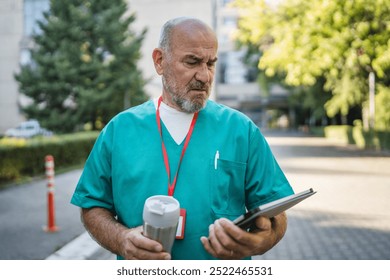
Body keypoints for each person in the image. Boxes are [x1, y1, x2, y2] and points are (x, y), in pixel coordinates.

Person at [70, 17, 294, 260]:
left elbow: (276, 215)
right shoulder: (119, 130)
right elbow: (92, 206)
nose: (205, 76)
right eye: (192, 62)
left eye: (210, 64)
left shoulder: (242, 130)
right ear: (159, 61)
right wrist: (121, 240)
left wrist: (259, 242)